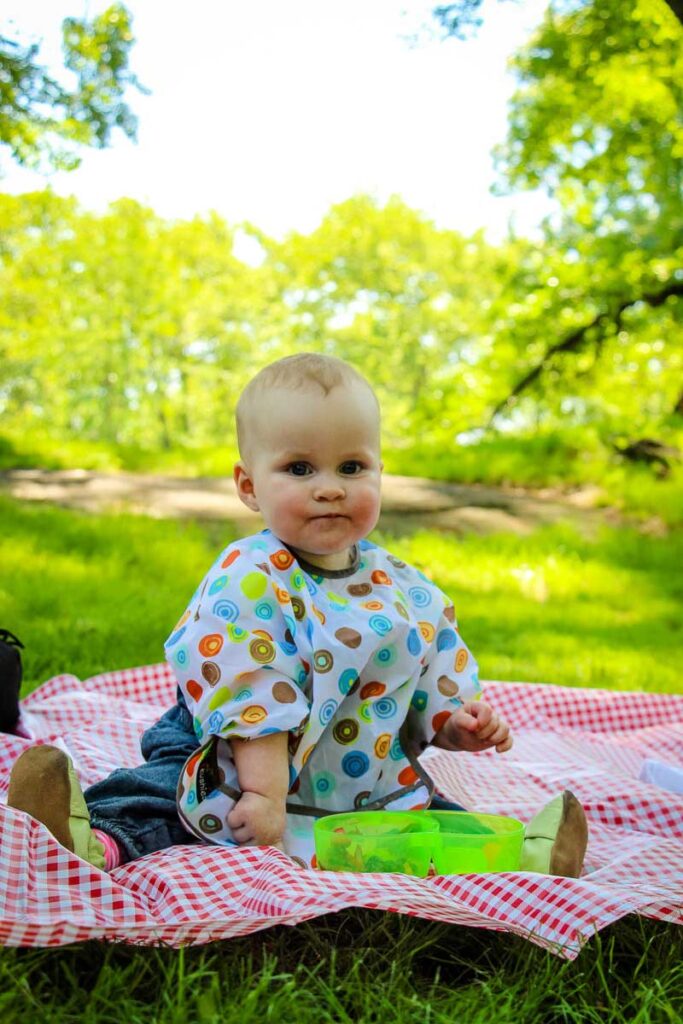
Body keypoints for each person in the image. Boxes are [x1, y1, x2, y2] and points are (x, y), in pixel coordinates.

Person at [6, 353, 587, 875]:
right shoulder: (250, 572)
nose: (330, 488)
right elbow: (246, 679)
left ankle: (523, 859)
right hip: (230, 749)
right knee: (166, 797)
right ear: (249, 485)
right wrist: (263, 793)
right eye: (301, 469)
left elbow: (429, 658)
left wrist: (456, 720)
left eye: (353, 468)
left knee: (430, 814)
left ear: (381, 471)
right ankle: (91, 840)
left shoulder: (403, 586)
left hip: (358, 775)